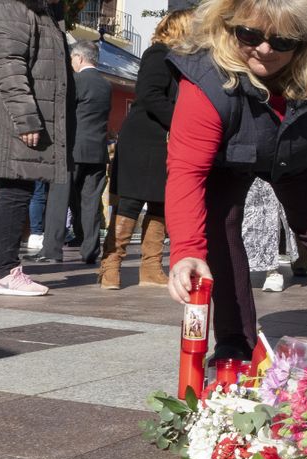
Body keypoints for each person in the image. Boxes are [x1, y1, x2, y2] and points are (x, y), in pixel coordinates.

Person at [165, 0, 307, 359]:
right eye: (249, 34)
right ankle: (234, 343)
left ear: (304, 41)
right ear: (229, 24)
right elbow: (186, 171)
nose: (265, 49)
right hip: (229, 154)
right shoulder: (204, 77)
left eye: (283, 41)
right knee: (220, 227)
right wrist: (187, 250)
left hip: (297, 150)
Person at [0, 0, 73, 296]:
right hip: (15, 120)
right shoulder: (11, 7)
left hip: (22, 117)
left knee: (14, 191)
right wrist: (26, 119)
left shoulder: (38, 12)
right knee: (15, 191)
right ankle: (5, 271)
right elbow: (9, 68)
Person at [99, 9, 192, 289]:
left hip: (164, 141)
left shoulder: (181, 60)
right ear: (179, 28)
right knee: (130, 201)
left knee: (161, 203)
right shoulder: (158, 53)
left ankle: (151, 267)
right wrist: (183, 121)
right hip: (142, 139)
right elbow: (149, 94)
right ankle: (110, 266)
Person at [27, 40, 111, 264]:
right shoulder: (106, 85)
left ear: (80, 58)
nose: (71, 63)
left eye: (73, 58)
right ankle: (90, 250)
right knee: (91, 203)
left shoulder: (76, 81)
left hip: (72, 150)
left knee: (58, 199)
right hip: (97, 152)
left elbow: (62, 114)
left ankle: (51, 251)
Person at [243, 178, 298, 292]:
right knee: (241, 215)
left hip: (269, 170)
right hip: (239, 166)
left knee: (270, 213)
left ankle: (272, 270)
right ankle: (233, 267)